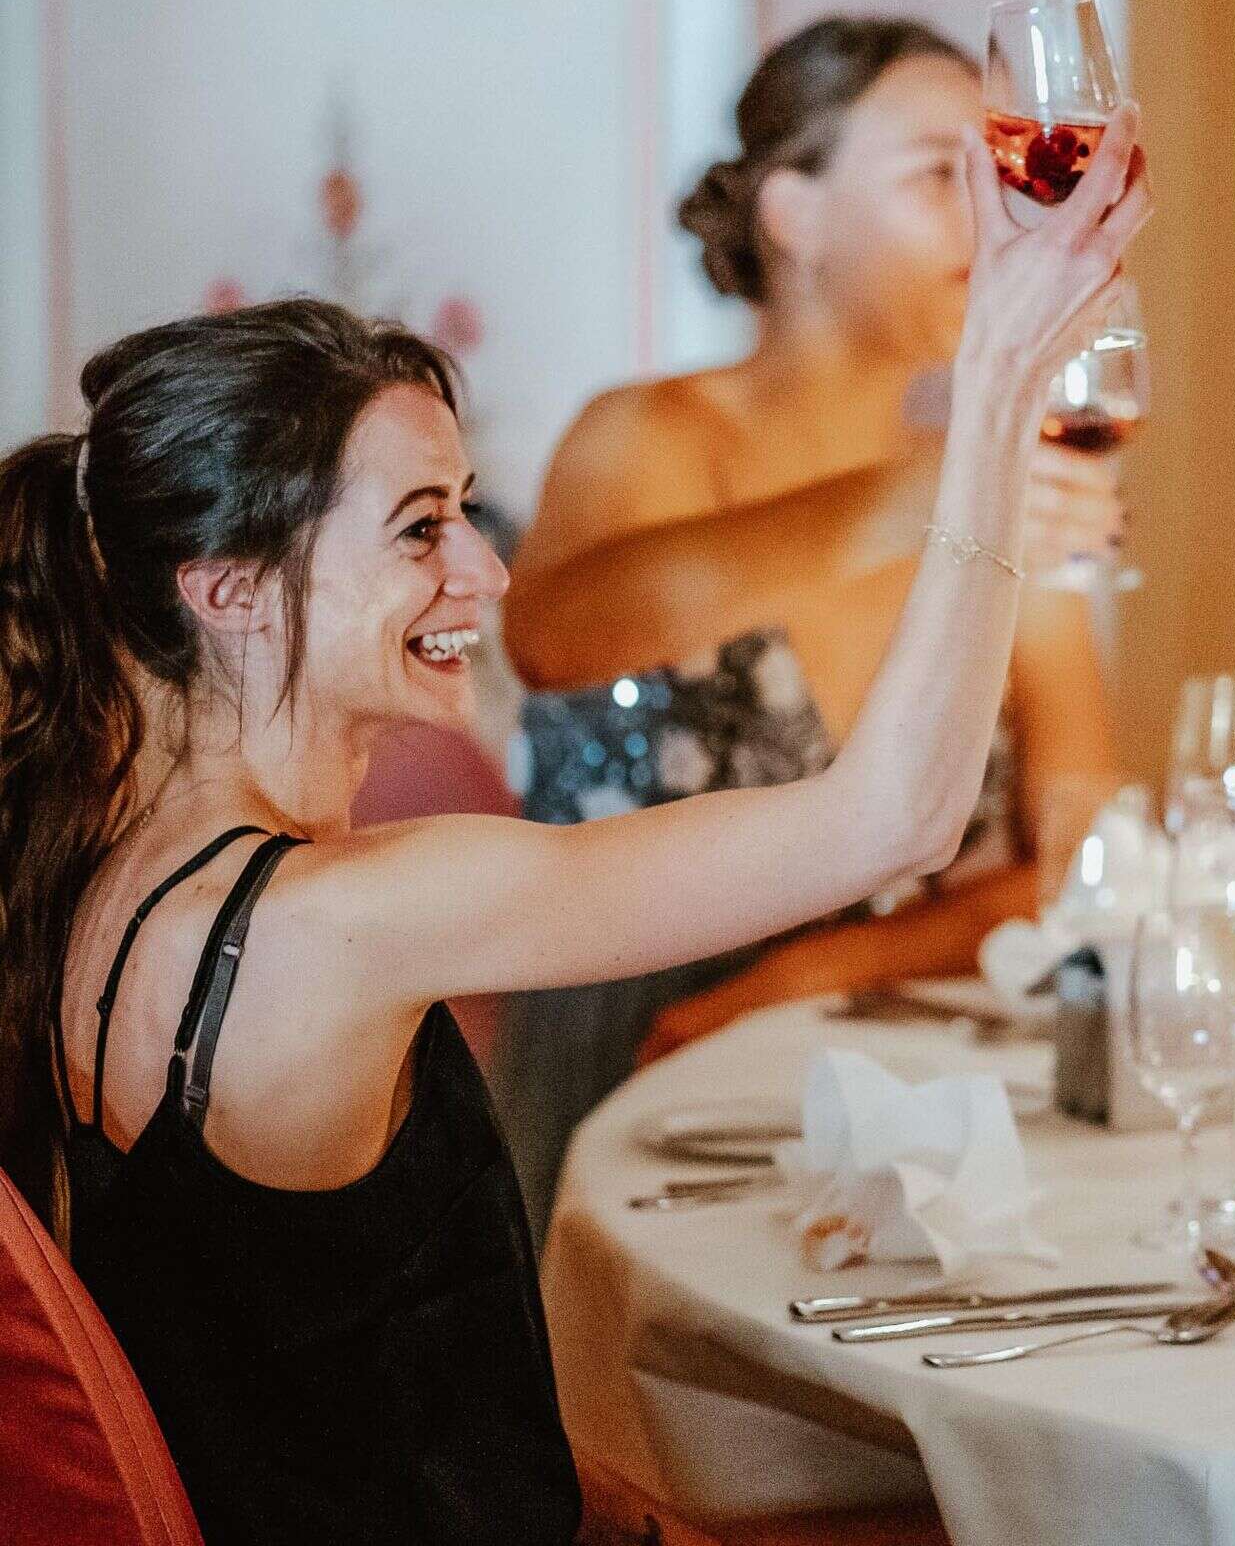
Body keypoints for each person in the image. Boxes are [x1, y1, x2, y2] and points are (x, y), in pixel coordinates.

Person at [0, 113, 1145, 1544]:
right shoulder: (341, 922)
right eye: (418, 529)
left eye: (466, 512)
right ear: (227, 589)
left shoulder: (94, 873)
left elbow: (333, 1400)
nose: (485, 574)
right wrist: (997, 398)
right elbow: (894, 818)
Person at [495, 18, 1125, 1239]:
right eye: (939, 172)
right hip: (640, 1070)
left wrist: (811, 971)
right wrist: (915, 496)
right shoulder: (646, 436)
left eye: (998, 169)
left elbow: (1074, 851)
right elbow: (554, 642)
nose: (994, 211)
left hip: (915, 1093)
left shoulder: (998, 485)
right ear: (793, 213)